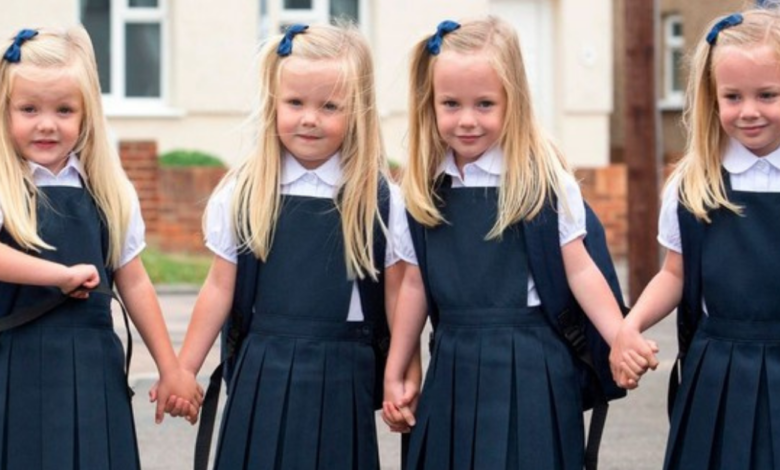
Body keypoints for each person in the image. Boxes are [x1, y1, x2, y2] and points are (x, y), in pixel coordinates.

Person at [382, 16, 630, 469]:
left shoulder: (543, 180)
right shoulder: (419, 188)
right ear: (430, 104)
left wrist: (620, 337)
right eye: (451, 104)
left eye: (484, 104)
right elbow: (414, 285)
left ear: (513, 101)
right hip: (453, 364)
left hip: (534, 366)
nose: (467, 120)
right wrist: (397, 369)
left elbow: (580, 269)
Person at [174, 22, 412, 470]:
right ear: (272, 104)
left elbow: (400, 294)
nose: (309, 118)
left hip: (345, 371)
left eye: (329, 106)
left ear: (357, 111)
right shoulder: (244, 192)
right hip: (263, 366)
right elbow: (219, 289)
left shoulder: (380, 200)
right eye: (295, 103)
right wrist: (184, 369)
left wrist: (403, 372)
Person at [0, 26, 201, 469]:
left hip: (92, 368)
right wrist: (60, 275)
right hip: (13, 363)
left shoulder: (109, 190)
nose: (47, 123)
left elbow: (135, 281)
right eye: (29, 108)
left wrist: (172, 369)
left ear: (87, 114)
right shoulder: (5, 185)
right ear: (5, 110)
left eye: (64, 109)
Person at [610, 7, 780, 469]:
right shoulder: (693, 185)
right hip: (716, 373)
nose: (749, 112)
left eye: (768, 94)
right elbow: (675, 273)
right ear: (711, 97)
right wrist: (631, 323)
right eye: (733, 96)